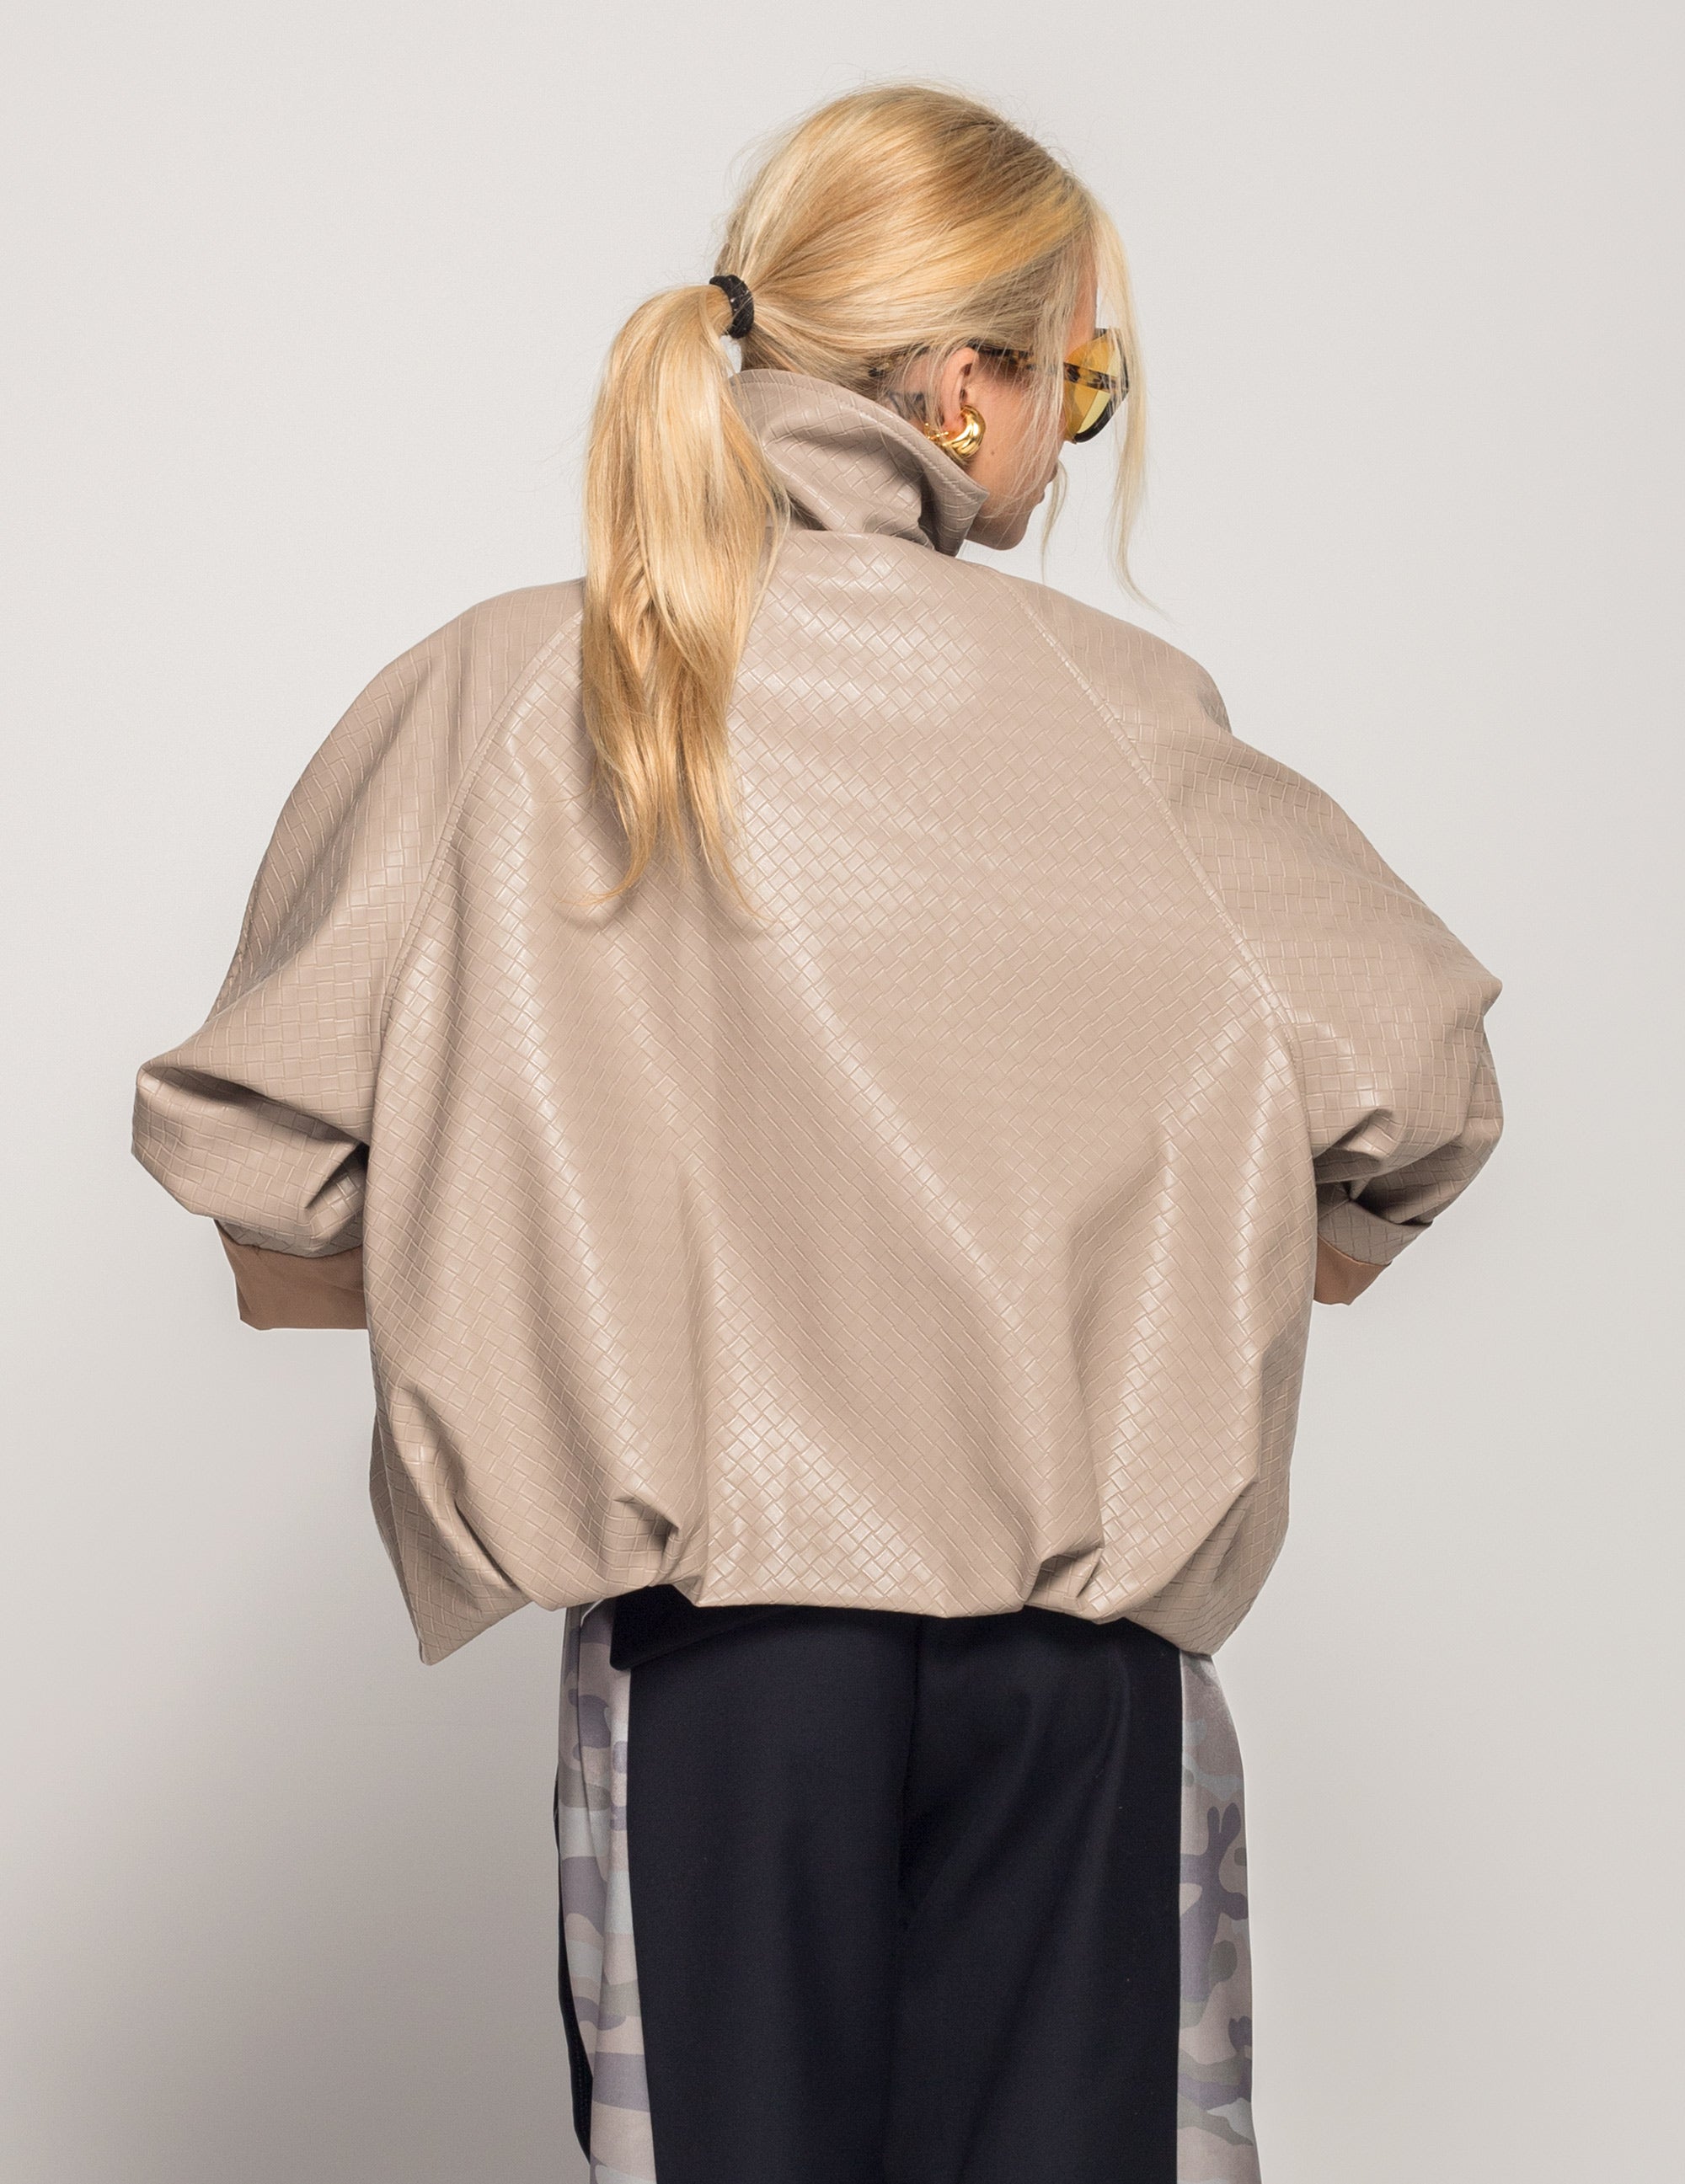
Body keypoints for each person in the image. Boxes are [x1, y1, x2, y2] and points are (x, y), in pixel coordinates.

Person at [131, 82, 1502, 2184]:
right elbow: (1423, 1096)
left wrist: (558, 1259)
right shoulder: (1125, 722)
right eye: (1082, 383)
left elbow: (261, 1184)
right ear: (963, 389)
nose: (1075, 434)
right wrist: (1151, 1242)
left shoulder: (512, 693)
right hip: (1079, 1688)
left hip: (716, 1676)